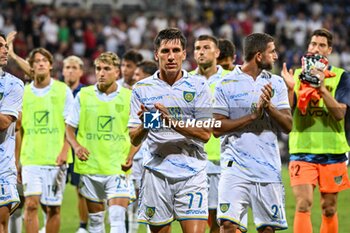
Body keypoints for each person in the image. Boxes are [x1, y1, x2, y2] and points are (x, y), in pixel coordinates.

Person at [128, 28, 212, 233]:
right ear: (156, 54)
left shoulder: (199, 86)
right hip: (156, 173)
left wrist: (172, 121)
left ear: (184, 54)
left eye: (176, 50)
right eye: (165, 51)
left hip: (192, 172)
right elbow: (134, 138)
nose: (171, 56)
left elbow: (205, 134)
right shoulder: (142, 88)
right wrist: (146, 124)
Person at [213, 32, 292, 233]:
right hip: (234, 169)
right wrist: (252, 116)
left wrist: (269, 108)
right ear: (259, 55)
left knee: (267, 229)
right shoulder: (226, 84)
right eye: (272, 52)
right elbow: (216, 128)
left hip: (268, 169)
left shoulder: (277, 83)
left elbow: (288, 126)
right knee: (228, 225)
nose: (275, 56)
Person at [281, 28, 350, 233]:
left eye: (321, 45)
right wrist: (290, 88)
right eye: (313, 44)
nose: (316, 48)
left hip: (333, 152)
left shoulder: (341, 77)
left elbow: (339, 114)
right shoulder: (295, 76)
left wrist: (320, 88)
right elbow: (287, 112)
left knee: (328, 209)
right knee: (304, 203)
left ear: (329, 50)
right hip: (303, 150)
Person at [66, 52, 135, 233]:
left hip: (118, 167)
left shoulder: (130, 97)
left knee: (117, 220)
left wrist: (131, 156)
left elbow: (140, 132)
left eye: (106, 69)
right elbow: (69, 129)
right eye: (98, 69)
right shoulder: (83, 95)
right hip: (91, 167)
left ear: (117, 73)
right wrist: (77, 146)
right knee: (96, 224)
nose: (101, 73)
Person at [16, 47, 74, 233]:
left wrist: (65, 151)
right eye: (36, 61)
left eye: (44, 60)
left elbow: (70, 126)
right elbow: (20, 130)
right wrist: (17, 161)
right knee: (31, 205)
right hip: (31, 158)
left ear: (50, 65)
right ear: (31, 67)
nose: (40, 63)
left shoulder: (62, 90)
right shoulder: (23, 93)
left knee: (53, 209)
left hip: (55, 159)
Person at [190, 34, 230, 233]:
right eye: (197, 48)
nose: (201, 51)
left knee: (218, 218)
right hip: (192, 157)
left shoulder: (230, 80)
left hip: (221, 157)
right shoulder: (185, 80)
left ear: (217, 52)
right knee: (194, 215)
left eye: (206, 47)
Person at [128, 60, 158, 233]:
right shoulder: (135, 95)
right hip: (138, 154)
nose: (135, 78)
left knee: (148, 200)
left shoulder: (159, 96)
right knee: (135, 198)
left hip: (149, 156)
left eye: (138, 75)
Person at [0, 33, 24, 233]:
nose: (5, 50)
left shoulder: (14, 84)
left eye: (5, 46)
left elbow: (4, 122)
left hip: (2, 167)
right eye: (0, 46)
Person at [62, 55, 88, 233]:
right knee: (52, 188)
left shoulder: (86, 93)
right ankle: (48, 220)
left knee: (82, 190)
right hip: (59, 148)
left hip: (79, 147)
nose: (70, 71)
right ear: (62, 71)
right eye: (67, 67)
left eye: (74, 67)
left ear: (80, 71)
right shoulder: (55, 90)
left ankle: (83, 226)